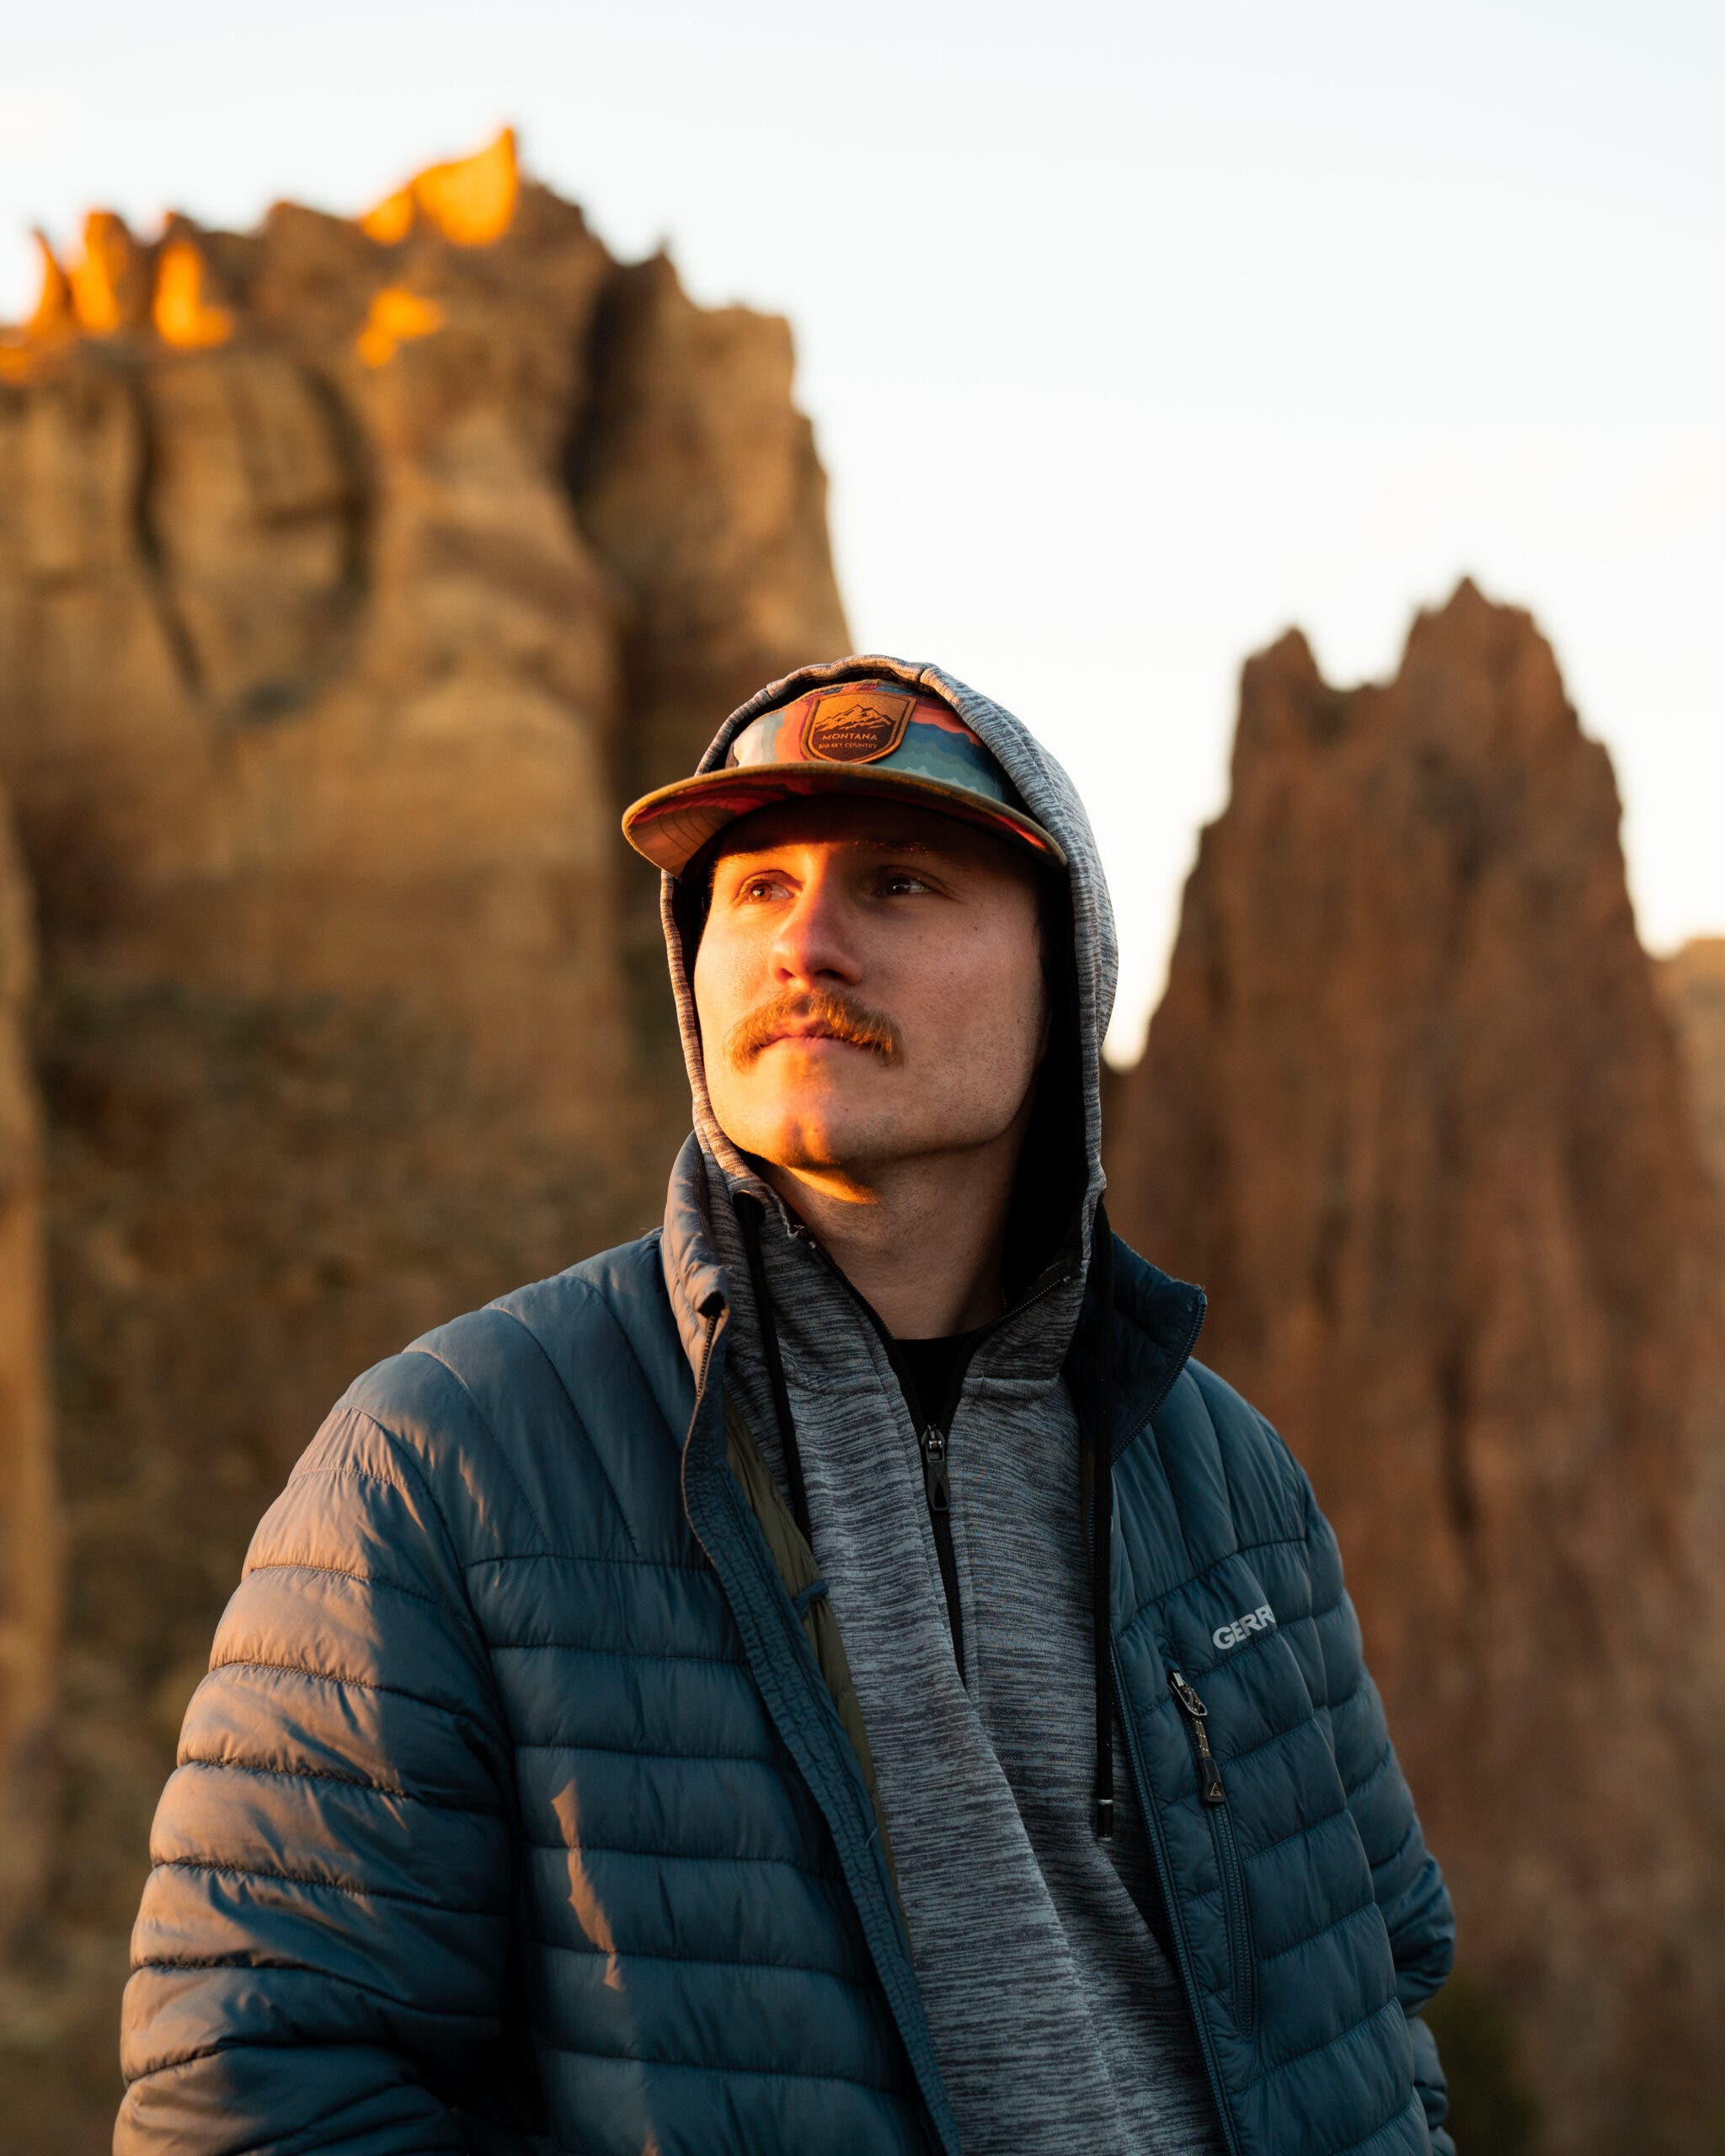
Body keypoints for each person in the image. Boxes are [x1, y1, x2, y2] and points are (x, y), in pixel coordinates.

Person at [117, 659, 1455, 2156]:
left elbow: (1378, 1994)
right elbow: (256, 2095)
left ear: (1064, 971)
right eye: (754, 891)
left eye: (896, 883)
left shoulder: (1227, 1479)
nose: (806, 943)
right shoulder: (445, 1463)